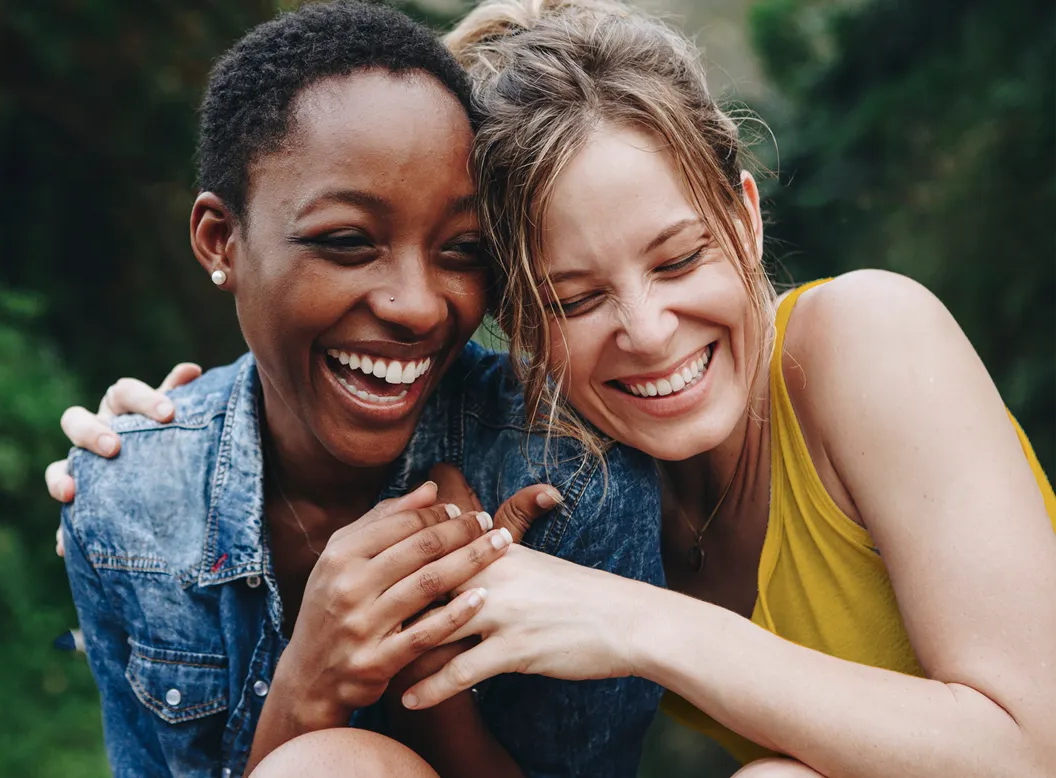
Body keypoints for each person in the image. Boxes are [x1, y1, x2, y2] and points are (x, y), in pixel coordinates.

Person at [62, 1, 1056, 775]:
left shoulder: (865, 339)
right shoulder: (587, 471)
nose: (648, 330)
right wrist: (169, 449)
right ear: (514, 321)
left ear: (745, 217)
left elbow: (1034, 749)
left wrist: (637, 621)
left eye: (678, 260)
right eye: (575, 298)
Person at [55, 3, 664, 777]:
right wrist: (308, 687)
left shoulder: (568, 474)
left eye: (463, 250)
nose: (416, 305)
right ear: (221, 241)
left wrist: (432, 674)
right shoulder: (126, 503)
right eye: (347, 242)